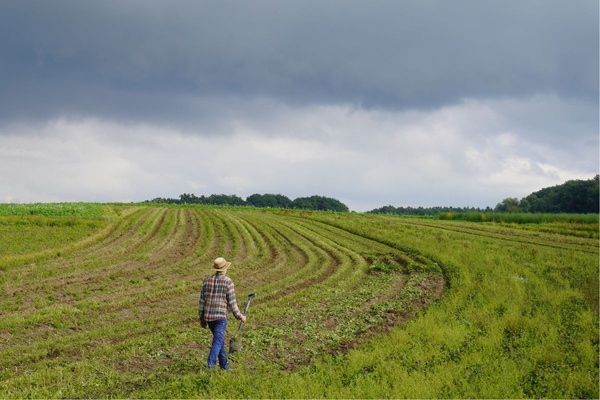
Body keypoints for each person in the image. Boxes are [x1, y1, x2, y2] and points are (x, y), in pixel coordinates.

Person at [198, 257, 247, 371]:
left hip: (209, 317)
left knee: (219, 341)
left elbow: (202, 301)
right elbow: (232, 302)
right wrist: (240, 316)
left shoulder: (206, 281)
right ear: (225, 269)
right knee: (217, 342)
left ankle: (225, 367)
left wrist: (202, 318)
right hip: (221, 317)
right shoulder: (227, 281)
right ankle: (210, 366)